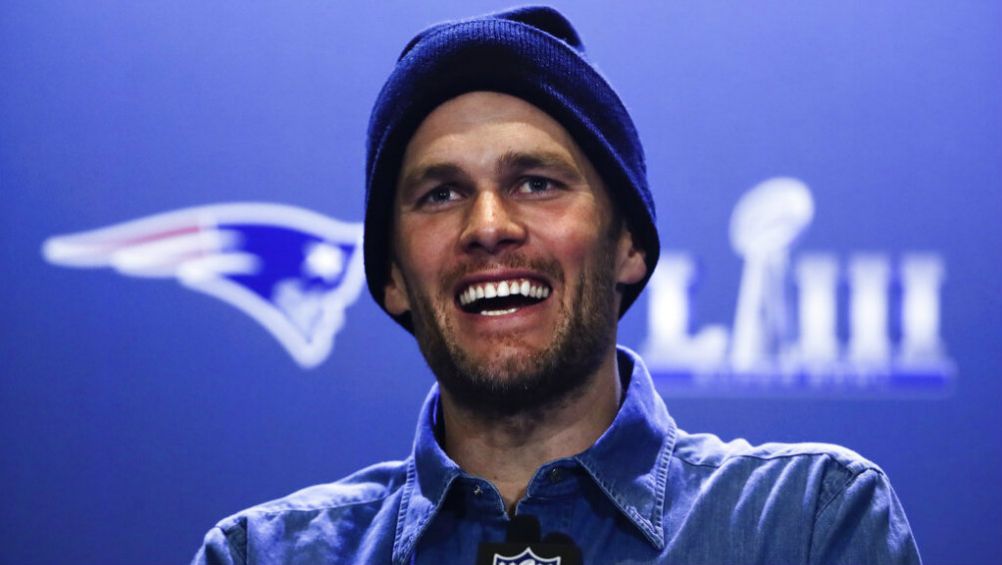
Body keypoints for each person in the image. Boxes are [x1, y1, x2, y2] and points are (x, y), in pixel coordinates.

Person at [193, 7, 921, 564]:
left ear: (630, 244)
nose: (488, 225)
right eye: (441, 194)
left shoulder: (804, 523)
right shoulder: (261, 555)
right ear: (391, 278)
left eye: (536, 182)